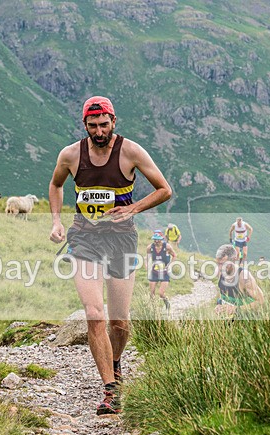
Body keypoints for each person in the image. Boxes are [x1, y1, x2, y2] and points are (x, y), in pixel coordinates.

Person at [49, 96, 172, 415]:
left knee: (119, 321)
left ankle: (116, 363)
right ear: (85, 125)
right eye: (93, 126)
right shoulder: (71, 154)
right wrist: (56, 221)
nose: (99, 131)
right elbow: (55, 184)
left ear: (114, 121)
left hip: (121, 240)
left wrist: (133, 207)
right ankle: (110, 389)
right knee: (94, 313)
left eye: (104, 125)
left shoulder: (131, 151)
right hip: (85, 238)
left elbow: (164, 189)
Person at [213, 244, 264, 315]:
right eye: (218, 263)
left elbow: (260, 301)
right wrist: (219, 304)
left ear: (234, 259)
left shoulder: (244, 277)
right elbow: (223, 294)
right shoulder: (219, 272)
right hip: (227, 322)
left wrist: (235, 309)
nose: (220, 267)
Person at [147, 231, 176, 309]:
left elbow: (174, 255)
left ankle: (167, 304)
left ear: (162, 239)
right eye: (155, 239)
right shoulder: (150, 247)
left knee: (161, 293)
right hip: (154, 272)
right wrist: (147, 266)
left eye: (158, 239)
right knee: (152, 293)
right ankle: (154, 309)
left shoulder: (167, 247)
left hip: (165, 273)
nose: (156, 241)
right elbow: (147, 257)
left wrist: (170, 265)